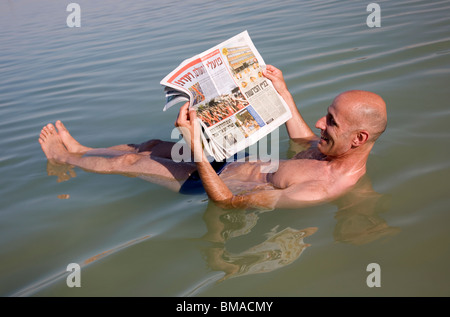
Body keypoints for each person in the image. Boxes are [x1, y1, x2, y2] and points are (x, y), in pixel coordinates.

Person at [39, 65, 387, 210]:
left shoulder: (319, 190)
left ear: (358, 138)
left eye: (330, 121)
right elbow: (300, 139)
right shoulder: (327, 151)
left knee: (133, 160)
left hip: (210, 182)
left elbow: (229, 204)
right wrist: (281, 90)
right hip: (230, 162)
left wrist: (196, 149)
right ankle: (83, 148)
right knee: (151, 145)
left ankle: (64, 158)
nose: (319, 123)